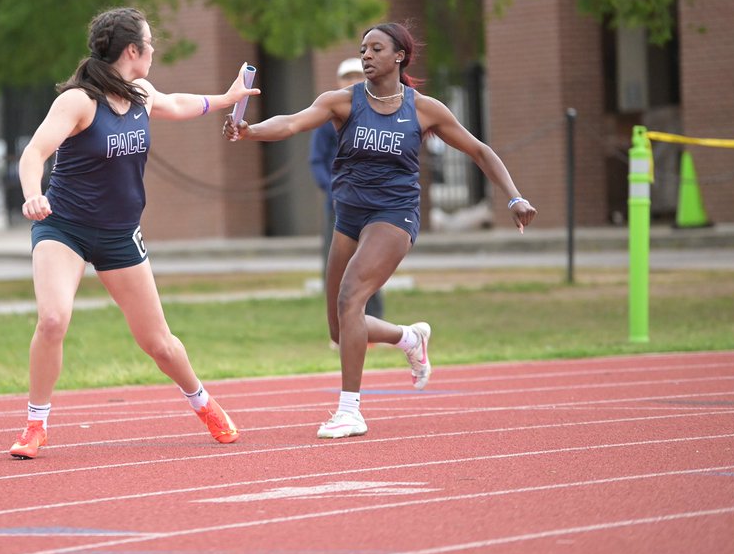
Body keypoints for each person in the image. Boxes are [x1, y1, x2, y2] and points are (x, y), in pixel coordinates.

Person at [224, 22, 536, 439]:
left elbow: (479, 150)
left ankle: (350, 411)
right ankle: (409, 337)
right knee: (340, 326)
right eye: (363, 48)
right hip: (349, 215)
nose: (366, 55)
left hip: (394, 215)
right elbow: (293, 123)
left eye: (376, 49)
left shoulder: (424, 109)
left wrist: (514, 197)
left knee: (352, 297)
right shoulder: (343, 101)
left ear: (399, 56)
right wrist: (251, 130)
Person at [10, 6, 259, 459]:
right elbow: (33, 153)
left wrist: (225, 99)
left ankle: (203, 402)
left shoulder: (141, 92)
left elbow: (177, 104)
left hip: (120, 234)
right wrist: (32, 193)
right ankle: (35, 424)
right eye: (150, 43)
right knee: (52, 320)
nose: (154, 51)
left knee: (159, 344)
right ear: (132, 50)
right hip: (63, 227)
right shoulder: (79, 101)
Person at [309, 57, 383, 326]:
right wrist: (334, 191)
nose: (352, 82)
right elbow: (317, 160)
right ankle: (339, 326)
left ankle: (373, 320)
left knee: (371, 262)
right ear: (338, 82)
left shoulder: (377, 114)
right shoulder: (329, 114)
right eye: (347, 77)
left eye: (357, 76)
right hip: (339, 204)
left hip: (371, 204)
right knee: (336, 266)